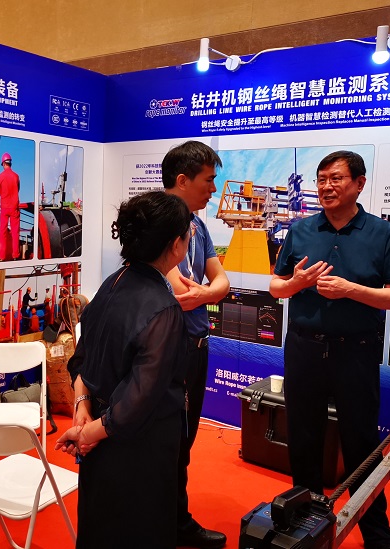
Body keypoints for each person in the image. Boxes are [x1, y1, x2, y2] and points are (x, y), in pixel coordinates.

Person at [269, 150, 390, 549]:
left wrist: (351, 290)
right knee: (304, 439)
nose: (326, 187)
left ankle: (376, 534)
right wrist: (295, 283)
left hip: (356, 353)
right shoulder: (300, 230)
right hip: (304, 349)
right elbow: (276, 287)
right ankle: (304, 525)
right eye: (321, 179)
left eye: (336, 178)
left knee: (361, 444)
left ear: (359, 184)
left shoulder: (383, 233)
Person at [56, 191, 192, 548]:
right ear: (175, 245)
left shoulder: (112, 283)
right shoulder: (164, 309)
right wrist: (88, 432)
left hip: (100, 439)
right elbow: (141, 397)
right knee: (140, 529)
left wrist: (83, 409)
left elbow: (82, 357)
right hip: (139, 446)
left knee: (99, 526)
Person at [163, 141, 230, 549]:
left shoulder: (199, 227)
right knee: (168, 440)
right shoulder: (157, 223)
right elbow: (179, 289)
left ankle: (174, 520)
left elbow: (221, 282)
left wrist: (205, 293)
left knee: (184, 440)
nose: (213, 188)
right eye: (208, 180)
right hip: (169, 347)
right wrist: (206, 292)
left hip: (197, 344)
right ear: (183, 180)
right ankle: (168, 522)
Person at [0, 152, 21, 260]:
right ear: (10, 163)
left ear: (3, 163)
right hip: (14, 207)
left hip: (4, 207)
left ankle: (1, 256)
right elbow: (18, 189)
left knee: (2, 232)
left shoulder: (0, 177)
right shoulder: (16, 176)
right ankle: (15, 255)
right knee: (15, 232)